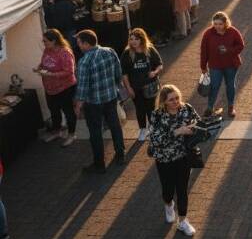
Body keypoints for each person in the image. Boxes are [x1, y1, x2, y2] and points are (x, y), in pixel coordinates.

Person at [148, 84, 199, 237]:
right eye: (171, 100)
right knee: (168, 190)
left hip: (183, 157)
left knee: (182, 189)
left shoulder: (187, 108)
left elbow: (198, 122)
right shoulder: (157, 115)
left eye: (177, 98)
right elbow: (155, 139)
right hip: (164, 159)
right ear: (163, 102)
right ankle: (169, 204)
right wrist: (178, 131)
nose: (176, 102)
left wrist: (194, 128)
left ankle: (183, 221)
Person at [74, 30, 125, 173]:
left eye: (79, 42)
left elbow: (82, 88)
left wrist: (78, 106)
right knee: (115, 125)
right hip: (110, 96)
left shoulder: (84, 61)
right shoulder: (110, 51)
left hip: (93, 103)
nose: (77, 45)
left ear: (86, 44)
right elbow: (118, 73)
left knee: (95, 133)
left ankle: (99, 163)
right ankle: (120, 154)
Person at [35, 29, 78, 148]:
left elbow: (69, 71)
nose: (44, 43)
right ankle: (57, 132)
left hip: (65, 88)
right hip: (50, 88)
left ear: (54, 41)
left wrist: (50, 75)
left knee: (68, 112)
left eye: (46, 41)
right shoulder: (47, 50)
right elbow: (43, 63)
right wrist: (39, 68)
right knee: (53, 111)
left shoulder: (65, 52)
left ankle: (71, 134)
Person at [199, 11, 245, 118]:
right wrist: (203, 66)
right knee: (214, 86)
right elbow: (204, 51)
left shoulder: (233, 31)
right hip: (215, 66)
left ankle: (230, 107)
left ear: (225, 23)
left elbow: (241, 45)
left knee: (230, 86)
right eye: (215, 24)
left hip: (231, 65)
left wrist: (228, 50)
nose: (217, 27)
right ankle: (210, 107)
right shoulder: (208, 34)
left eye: (220, 24)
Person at [121, 28, 164, 141]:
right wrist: (128, 88)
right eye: (131, 39)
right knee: (139, 108)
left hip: (150, 86)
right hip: (135, 87)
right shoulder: (126, 54)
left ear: (142, 39)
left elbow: (160, 64)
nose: (133, 42)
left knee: (151, 108)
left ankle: (152, 128)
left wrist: (154, 72)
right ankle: (142, 129)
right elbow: (124, 73)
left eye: (136, 39)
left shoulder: (150, 50)